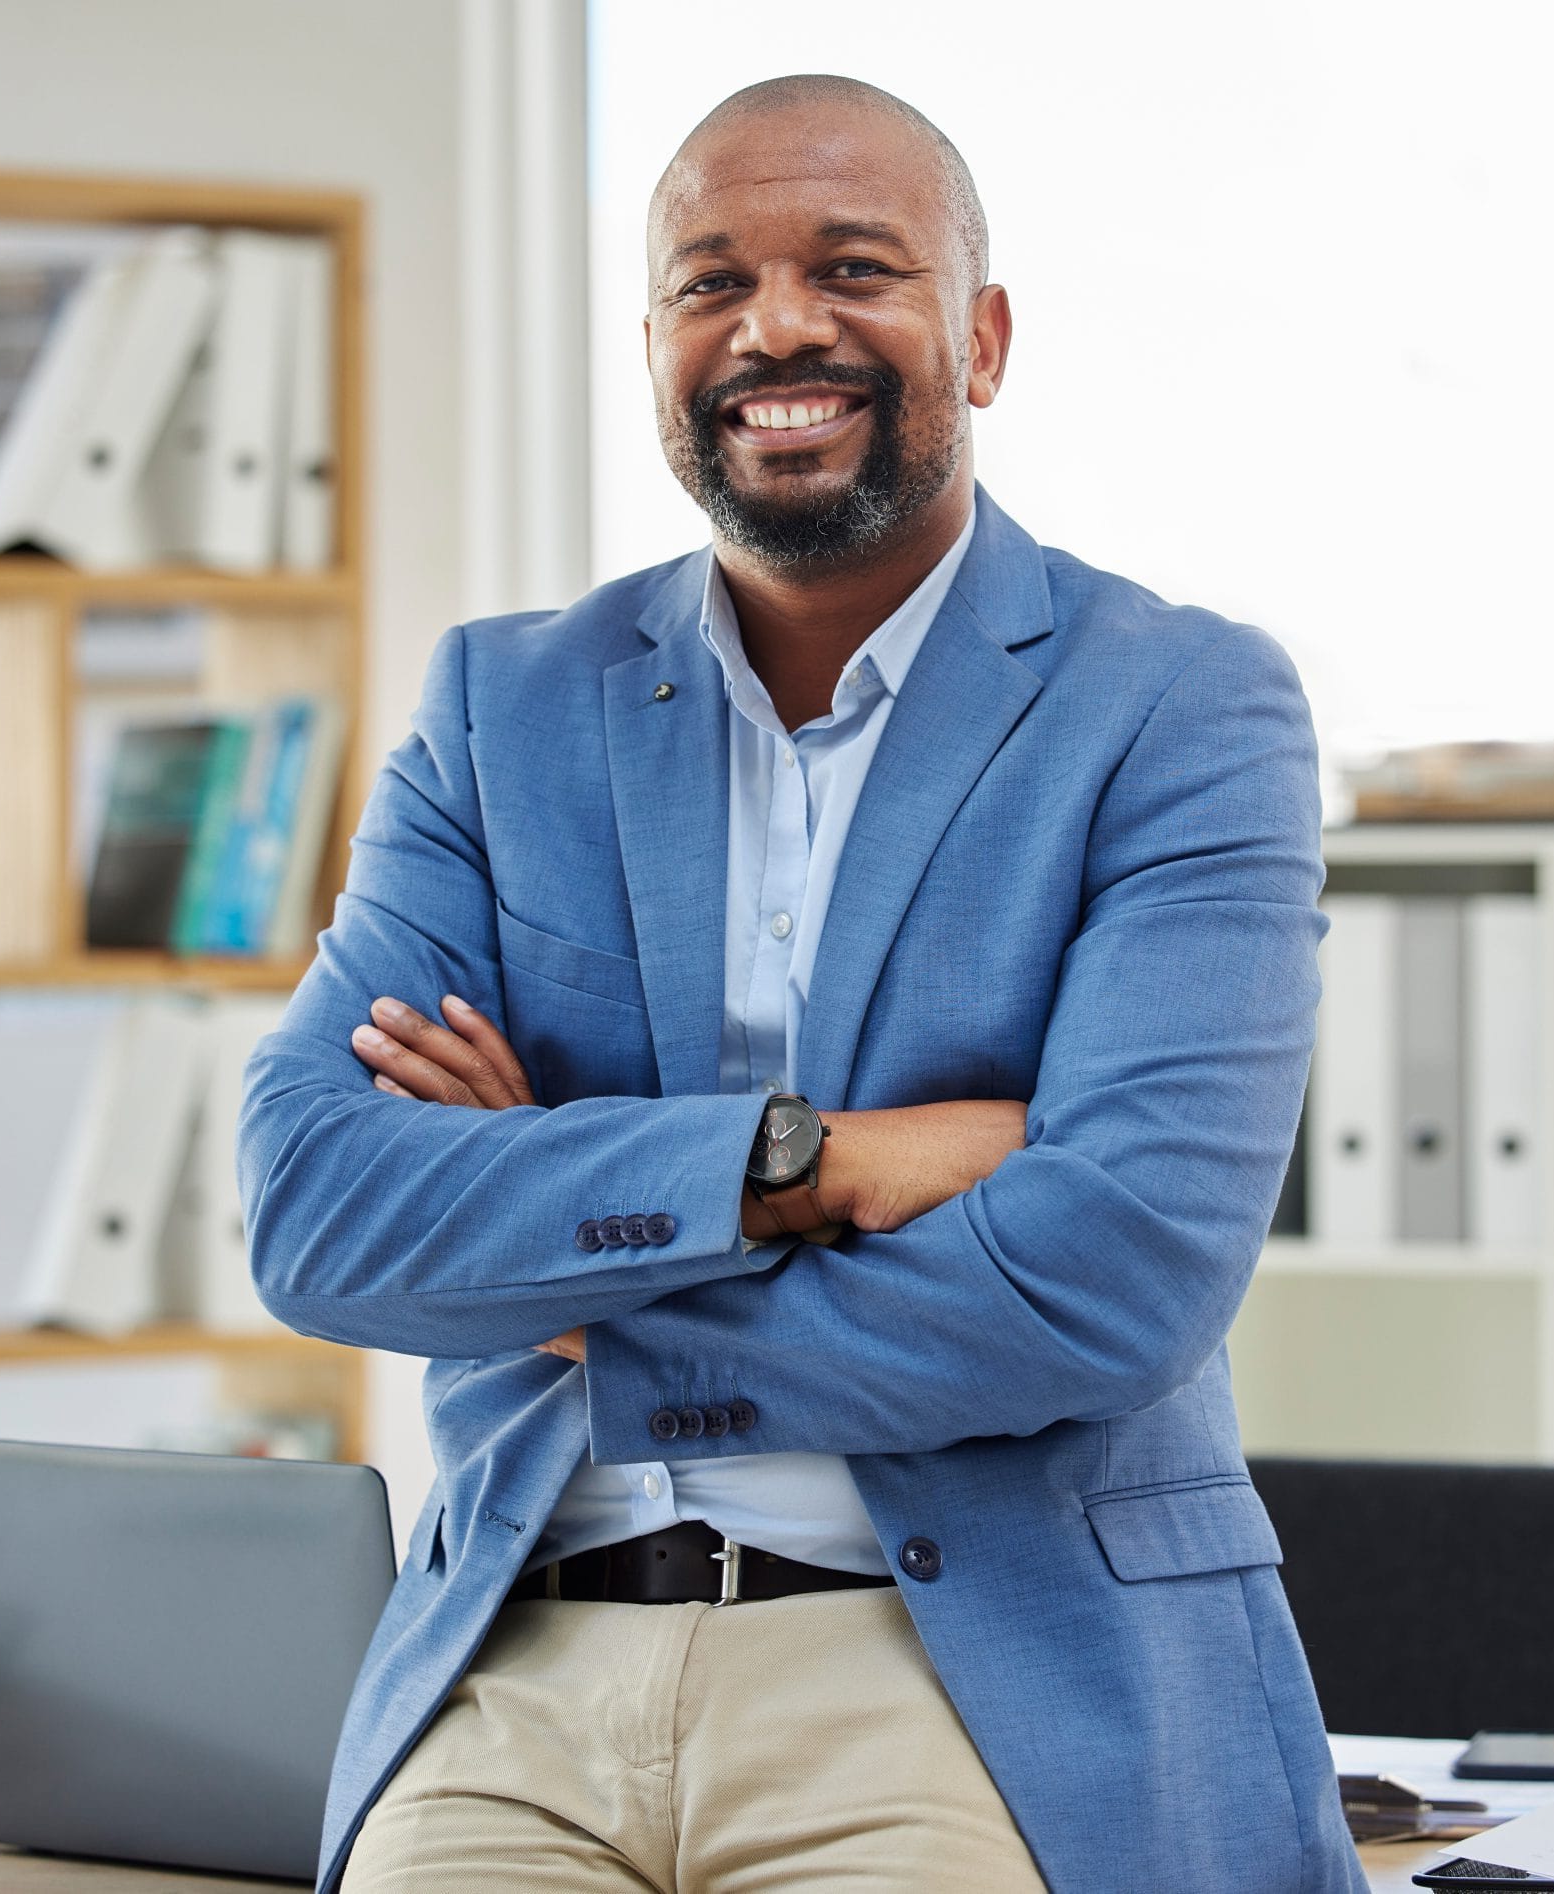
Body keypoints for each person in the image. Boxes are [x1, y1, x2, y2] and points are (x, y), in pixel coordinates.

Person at [240, 73, 1366, 1894]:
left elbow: (1120, 1267)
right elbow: (318, 1214)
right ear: (657, 346)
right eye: (711, 283)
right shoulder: (497, 708)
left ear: (980, 338)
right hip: (522, 1674)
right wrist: (813, 1165)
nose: (778, 326)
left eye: (857, 266)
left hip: (958, 1671)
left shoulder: (1180, 705)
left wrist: (578, 1292)